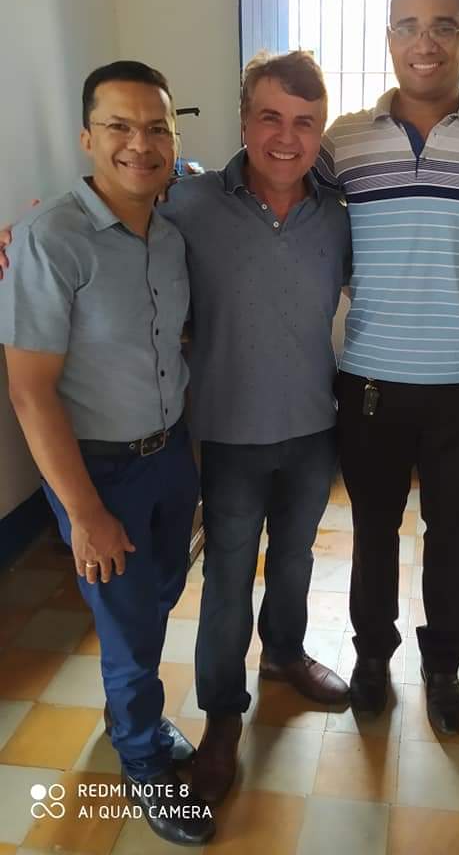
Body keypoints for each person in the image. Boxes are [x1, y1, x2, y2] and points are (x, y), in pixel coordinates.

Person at [316, 0, 459, 735]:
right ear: (388, 38)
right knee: (373, 534)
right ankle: (372, 658)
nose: (426, 41)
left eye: (444, 25)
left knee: (450, 539)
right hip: (371, 380)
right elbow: (268, 205)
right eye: (409, 25)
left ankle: (443, 666)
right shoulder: (341, 141)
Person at [0, 61, 215, 846]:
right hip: (97, 470)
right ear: (87, 138)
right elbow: (29, 392)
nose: (139, 143)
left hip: (166, 455)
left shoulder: (170, 228)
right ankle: (142, 760)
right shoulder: (50, 239)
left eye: (156, 127)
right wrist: (85, 513)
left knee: (154, 597)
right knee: (125, 624)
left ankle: (137, 723)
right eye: (119, 127)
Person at [159, 51, 351, 805]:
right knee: (228, 578)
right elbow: (115, 234)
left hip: (313, 425)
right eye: (270, 116)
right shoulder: (190, 205)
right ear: (244, 120)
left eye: (304, 122)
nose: (285, 136)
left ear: (320, 130)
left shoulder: (338, 216)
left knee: (297, 558)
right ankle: (221, 718)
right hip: (231, 433)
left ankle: (287, 655)